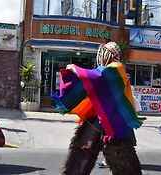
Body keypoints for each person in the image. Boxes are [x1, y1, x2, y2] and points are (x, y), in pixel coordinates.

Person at [52, 42, 144, 175]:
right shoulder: (109, 70)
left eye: (102, 53)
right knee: (82, 153)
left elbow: (99, 76)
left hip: (114, 125)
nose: (99, 57)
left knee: (124, 164)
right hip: (99, 119)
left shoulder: (116, 67)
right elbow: (92, 84)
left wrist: (76, 70)